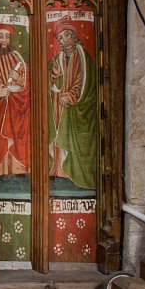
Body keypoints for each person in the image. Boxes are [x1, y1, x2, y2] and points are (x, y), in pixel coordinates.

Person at [48, 16, 98, 189]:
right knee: (58, 133)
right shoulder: (59, 57)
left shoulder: (84, 57)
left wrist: (71, 96)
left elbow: (84, 80)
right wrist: (54, 75)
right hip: (60, 106)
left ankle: (73, 172)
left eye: (67, 35)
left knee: (75, 138)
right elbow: (53, 80)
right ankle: (58, 170)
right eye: (61, 37)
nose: (65, 39)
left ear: (74, 36)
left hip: (77, 107)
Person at [0, 23, 31, 181]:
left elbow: (25, 73)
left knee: (18, 133)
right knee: (0, 137)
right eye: (0, 36)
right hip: (0, 104)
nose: (4, 40)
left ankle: (18, 168)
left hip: (17, 103)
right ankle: (0, 170)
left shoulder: (16, 56)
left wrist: (20, 79)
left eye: (7, 36)